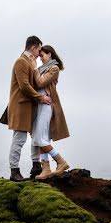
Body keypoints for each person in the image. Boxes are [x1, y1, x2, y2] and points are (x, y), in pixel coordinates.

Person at [7, 36, 52, 181]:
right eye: (39, 49)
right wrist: (41, 98)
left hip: (30, 106)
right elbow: (24, 86)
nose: (40, 52)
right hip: (21, 106)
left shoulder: (31, 62)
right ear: (33, 48)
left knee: (35, 137)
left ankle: (36, 166)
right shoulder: (21, 61)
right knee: (19, 139)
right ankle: (14, 171)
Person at [32, 45, 70, 180]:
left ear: (49, 54)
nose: (40, 59)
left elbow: (40, 83)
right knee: (41, 139)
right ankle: (46, 169)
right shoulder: (42, 69)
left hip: (47, 106)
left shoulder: (54, 68)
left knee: (39, 138)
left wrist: (34, 70)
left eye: (42, 55)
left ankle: (61, 161)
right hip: (40, 105)